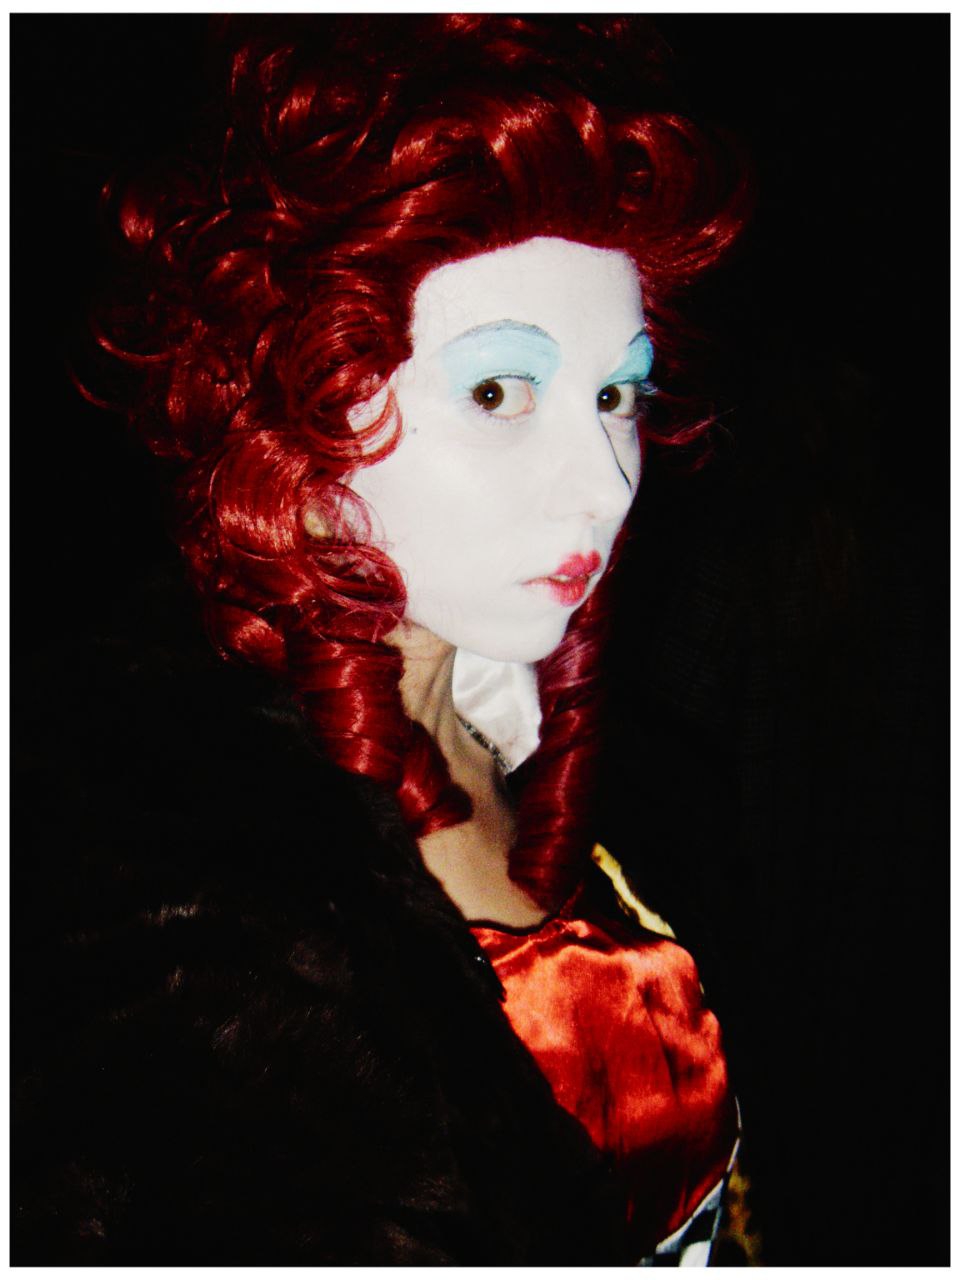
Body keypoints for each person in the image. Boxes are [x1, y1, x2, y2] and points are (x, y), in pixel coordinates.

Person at [13, 15, 749, 1264]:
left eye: (616, 393)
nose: (604, 484)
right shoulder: (147, 878)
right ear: (295, 403)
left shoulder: (556, 722)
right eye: (499, 390)